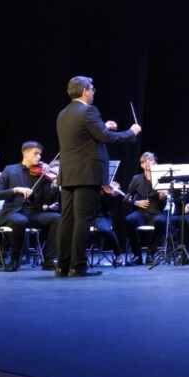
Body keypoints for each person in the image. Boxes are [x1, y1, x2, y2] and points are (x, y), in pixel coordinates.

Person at [55, 76, 141, 277]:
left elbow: (86, 136)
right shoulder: (89, 111)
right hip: (87, 174)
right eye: (92, 89)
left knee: (67, 220)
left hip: (68, 173)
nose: (93, 92)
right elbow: (106, 138)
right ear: (85, 90)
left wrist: (104, 126)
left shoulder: (63, 113)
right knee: (83, 220)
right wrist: (131, 132)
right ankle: (79, 266)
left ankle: (63, 266)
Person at [0, 141, 62, 271]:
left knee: (57, 218)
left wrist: (54, 185)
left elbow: (46, 199)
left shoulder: (43, 174)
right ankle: (15, 259)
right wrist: (15, 190)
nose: (39, 157)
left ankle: (49, 260)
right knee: (20, 220)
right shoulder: (10, 170)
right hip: (13, 212)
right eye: (35, 154)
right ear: (25, 153)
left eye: (40, 154)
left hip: (33, 213)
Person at [125, 152, 170, 265]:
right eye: (145, 161)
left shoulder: (161, 179)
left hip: (155, 213)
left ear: (155, 163)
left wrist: (163, 197)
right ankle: (137, 255)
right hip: (140, 213)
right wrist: (135, 202)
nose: (148, 163)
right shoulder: (136, 178)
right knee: (129, 220)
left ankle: (151, 253)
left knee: (161, 221)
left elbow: (164, 203)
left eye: (150, 160)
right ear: (142, 165)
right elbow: (126, 198)